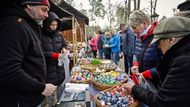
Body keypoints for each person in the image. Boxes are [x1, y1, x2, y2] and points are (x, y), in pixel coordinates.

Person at [0, 0, 57, 107]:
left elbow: (33, 57)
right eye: (43, 10)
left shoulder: (29, 26)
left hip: (30, 97)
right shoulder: (14, 26)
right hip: (19, 100)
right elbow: (9, 70)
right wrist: (41, 87)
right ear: (29, 5)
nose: (46, 15)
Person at [126, 16, 190, 107]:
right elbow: (137, 54)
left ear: (171, 40)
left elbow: (162, 101)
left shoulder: (182, 62)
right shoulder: (179, 53)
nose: (159, 46)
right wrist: (136, 64)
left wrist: (134, 88)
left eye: (159, 42)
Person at [128, 10, 162, 88]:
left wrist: (147, 73)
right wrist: (136, 64)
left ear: (144, 23)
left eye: (134, 27)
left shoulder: (158, 36)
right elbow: (136, 54)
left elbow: (165, 64)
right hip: (142, 78)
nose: (133, 31)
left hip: (155, 81)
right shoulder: (138, 36)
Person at [42, 11, 68, 107]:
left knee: (61, 95)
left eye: (56, 25)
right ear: (47, 24)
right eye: (52, 24)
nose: (54, 27)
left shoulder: (59, 34)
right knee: (51, 98)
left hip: (60, 71)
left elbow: (64, 44)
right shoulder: (41, 35)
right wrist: (54, 55)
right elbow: (40, 53)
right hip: (49, 72)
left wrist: (64, 48)